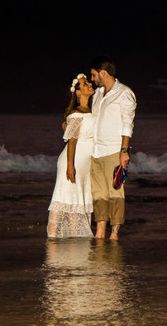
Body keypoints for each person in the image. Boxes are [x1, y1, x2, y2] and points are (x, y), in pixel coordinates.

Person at [88, 57, 137, 240]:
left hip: (114, 150)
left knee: (115, 191)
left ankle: (114, 233)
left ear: (103, 73)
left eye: (94, 75)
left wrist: (124, 151)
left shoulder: (124, 93)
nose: (92, 79)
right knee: (99, 194)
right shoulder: (98, 94)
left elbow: (127, 123)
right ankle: (100, 230)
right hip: (96, 150)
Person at [46, 73, 96, 238]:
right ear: (78, 92)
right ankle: (52, 238)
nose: (89, 84)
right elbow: (72, 140)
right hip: (73, 160)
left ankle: (75, 239)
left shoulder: (93, 109)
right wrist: (70, 166)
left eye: (88, 82)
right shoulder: (76, 113)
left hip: (85, 163)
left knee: (77, 200)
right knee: (63, 197)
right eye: (84, 84)